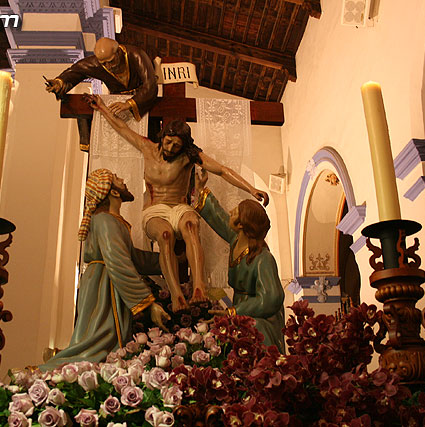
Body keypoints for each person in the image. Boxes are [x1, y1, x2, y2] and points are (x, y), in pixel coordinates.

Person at [85, 94, 269, 313]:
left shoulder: (188, 156)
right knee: (165, 236)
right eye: (169, 141)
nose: (171, 148)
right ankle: (177, 295)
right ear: (162, 136)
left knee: (191, 226)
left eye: (177, 145)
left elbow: (221, 169)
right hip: (155, 209)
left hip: (180, 207)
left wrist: (251, 188)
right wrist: (103, 108)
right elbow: (122, 129)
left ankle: (199, 287)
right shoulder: (147, 148)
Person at [39, 169, 170, 370]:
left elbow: (134, 258)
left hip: (107, 283)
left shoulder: (113, 221)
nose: (123, 180)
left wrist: (169, 260)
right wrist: (149, 304)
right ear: (113, 192)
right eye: (117, 179)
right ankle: (58, 368)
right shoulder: (105, 220)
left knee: (105, 340)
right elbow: (118, 261)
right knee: (99, 341)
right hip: (103, 286)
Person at [196, 169, 284, 351]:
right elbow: (219, 217)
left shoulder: (262, 258)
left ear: (242, 223)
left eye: (234, 212)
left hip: (260, 320)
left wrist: (235, 312)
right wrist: (201, 190)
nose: (230, 212)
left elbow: (271, 297)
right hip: (241, 313)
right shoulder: (237, 240)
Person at [45, 37, 157, 121]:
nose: (109, 67)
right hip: (116, 105)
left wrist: (129, 104)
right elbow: (75, 71)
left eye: (111, 61)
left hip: (141, 103)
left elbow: (150, 85)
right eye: (104, 64)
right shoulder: (96, 64)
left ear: (118, 51)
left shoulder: (136, 55)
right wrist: (59, 82)